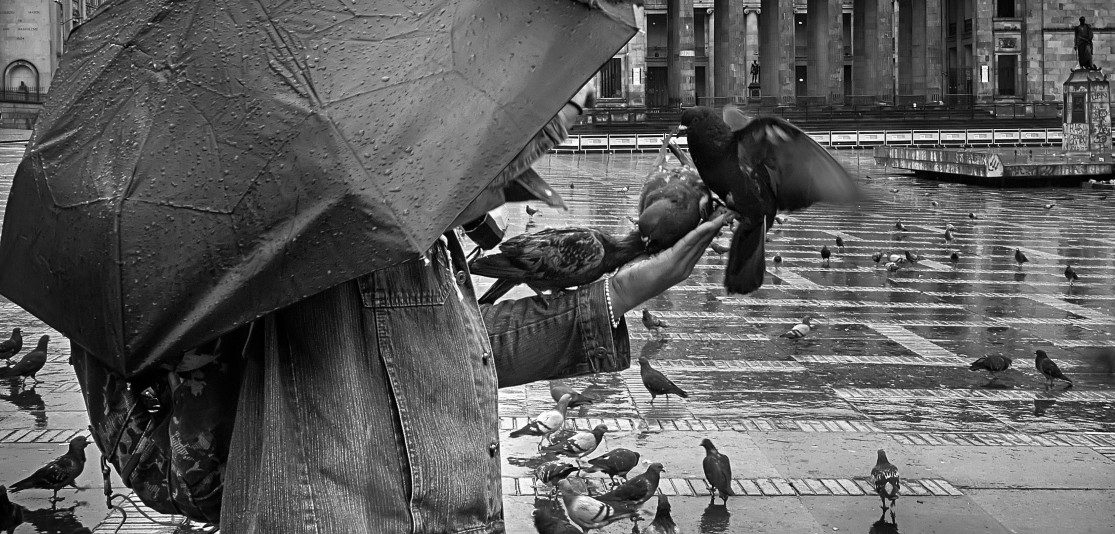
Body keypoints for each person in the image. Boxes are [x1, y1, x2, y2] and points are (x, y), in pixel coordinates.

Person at [220, 84, 733, 533]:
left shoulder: (401, 232)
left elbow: (453, 346)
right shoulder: (334, 244)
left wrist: (620, 293)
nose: (507, 188)